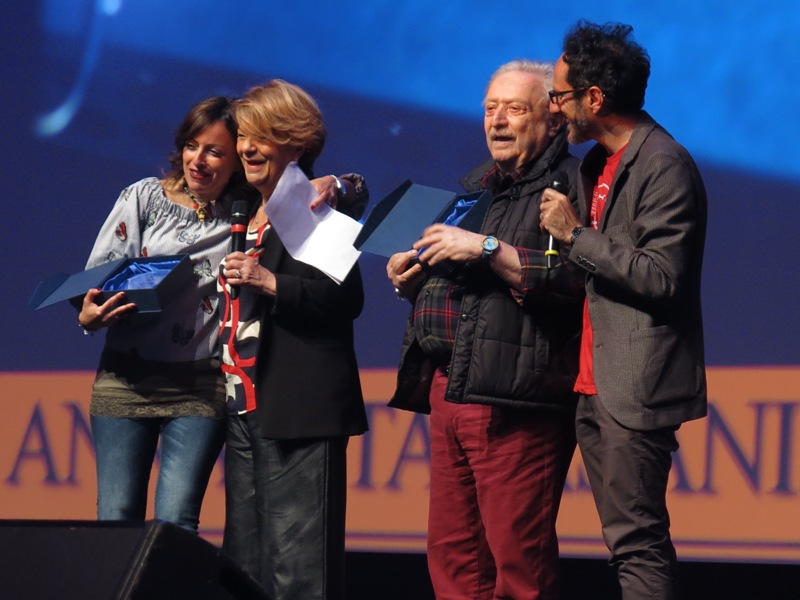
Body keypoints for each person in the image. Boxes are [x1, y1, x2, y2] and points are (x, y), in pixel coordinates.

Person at [77, 95, 365, 534]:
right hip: (126, 379)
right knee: (116, 519)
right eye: (192, 146)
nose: (198, 160)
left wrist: (341, 184)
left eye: (215, 151)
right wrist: (88, 316)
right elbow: (95, 286)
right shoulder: (144, 198)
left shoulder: (248, 208)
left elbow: (338, 195)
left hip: (201, 387)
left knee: (177, 524)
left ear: (235, 163)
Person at [386, 60, 585, 600]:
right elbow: (466, 283)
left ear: (553, 117)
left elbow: (576, 280)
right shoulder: (477, 190)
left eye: (514, 109)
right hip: (452, 388)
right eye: (490, 108)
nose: (496, 121)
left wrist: (487, 248)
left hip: (515, 398)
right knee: (455, 560)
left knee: (518, 566)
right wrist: (415, 280)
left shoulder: (572, 186)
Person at [540, 21, 708, 599]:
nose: (553, 107)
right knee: (623, 543)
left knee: (637, 544)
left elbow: (663, 278)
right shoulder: (595, 165)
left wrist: (575, 235)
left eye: (560, 95)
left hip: (634, 388)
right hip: (590, 383)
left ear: (594, 98)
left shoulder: (663, 164)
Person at [217, 80, 368, 600]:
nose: (247, 147)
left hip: (299, 412)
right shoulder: (244, 209)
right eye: (243, 135)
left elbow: (346, 299)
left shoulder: (314, 208)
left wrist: (269, 282)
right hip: (244, 411)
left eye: (262, 136)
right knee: (246, 570)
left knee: (299, 576)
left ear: (296, 145)